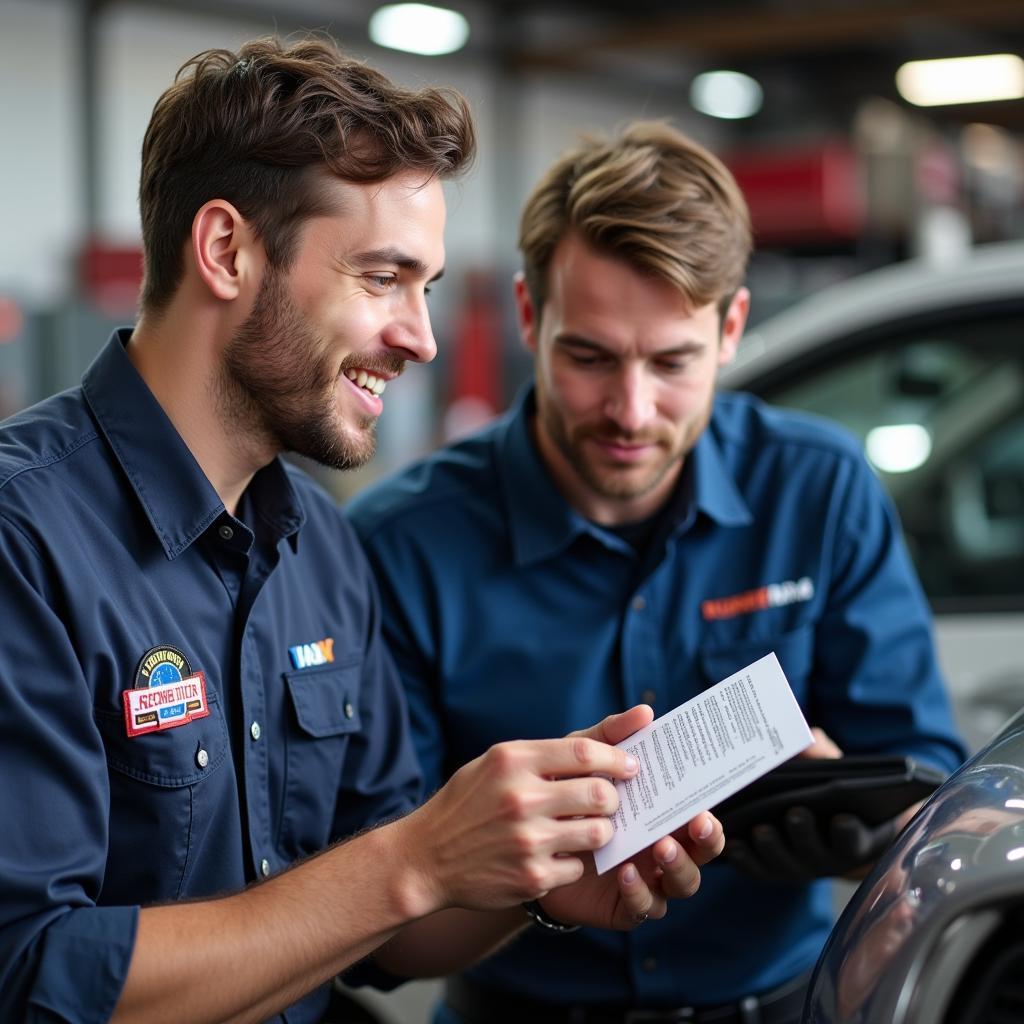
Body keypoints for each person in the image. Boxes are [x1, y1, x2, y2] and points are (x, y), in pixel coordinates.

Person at [0, 46, 725, 1024]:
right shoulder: (25, 539)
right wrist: (413, 860)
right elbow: (32, 977)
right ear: (225, 252)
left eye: (424, 288)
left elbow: (384, 927)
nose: (420, 338)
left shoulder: (321, 550)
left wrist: (532, 874)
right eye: (384, 277)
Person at [347, 120, 967, 1024]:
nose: (631, 411)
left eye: (672, 362)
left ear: (732, 328)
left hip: (782, 1003)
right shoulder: (401, 548)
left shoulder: (819, 492)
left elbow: (933, 802)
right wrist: (529, 880)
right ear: (530, 316)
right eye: (590, 357)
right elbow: (383, 926)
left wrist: (851, 819)